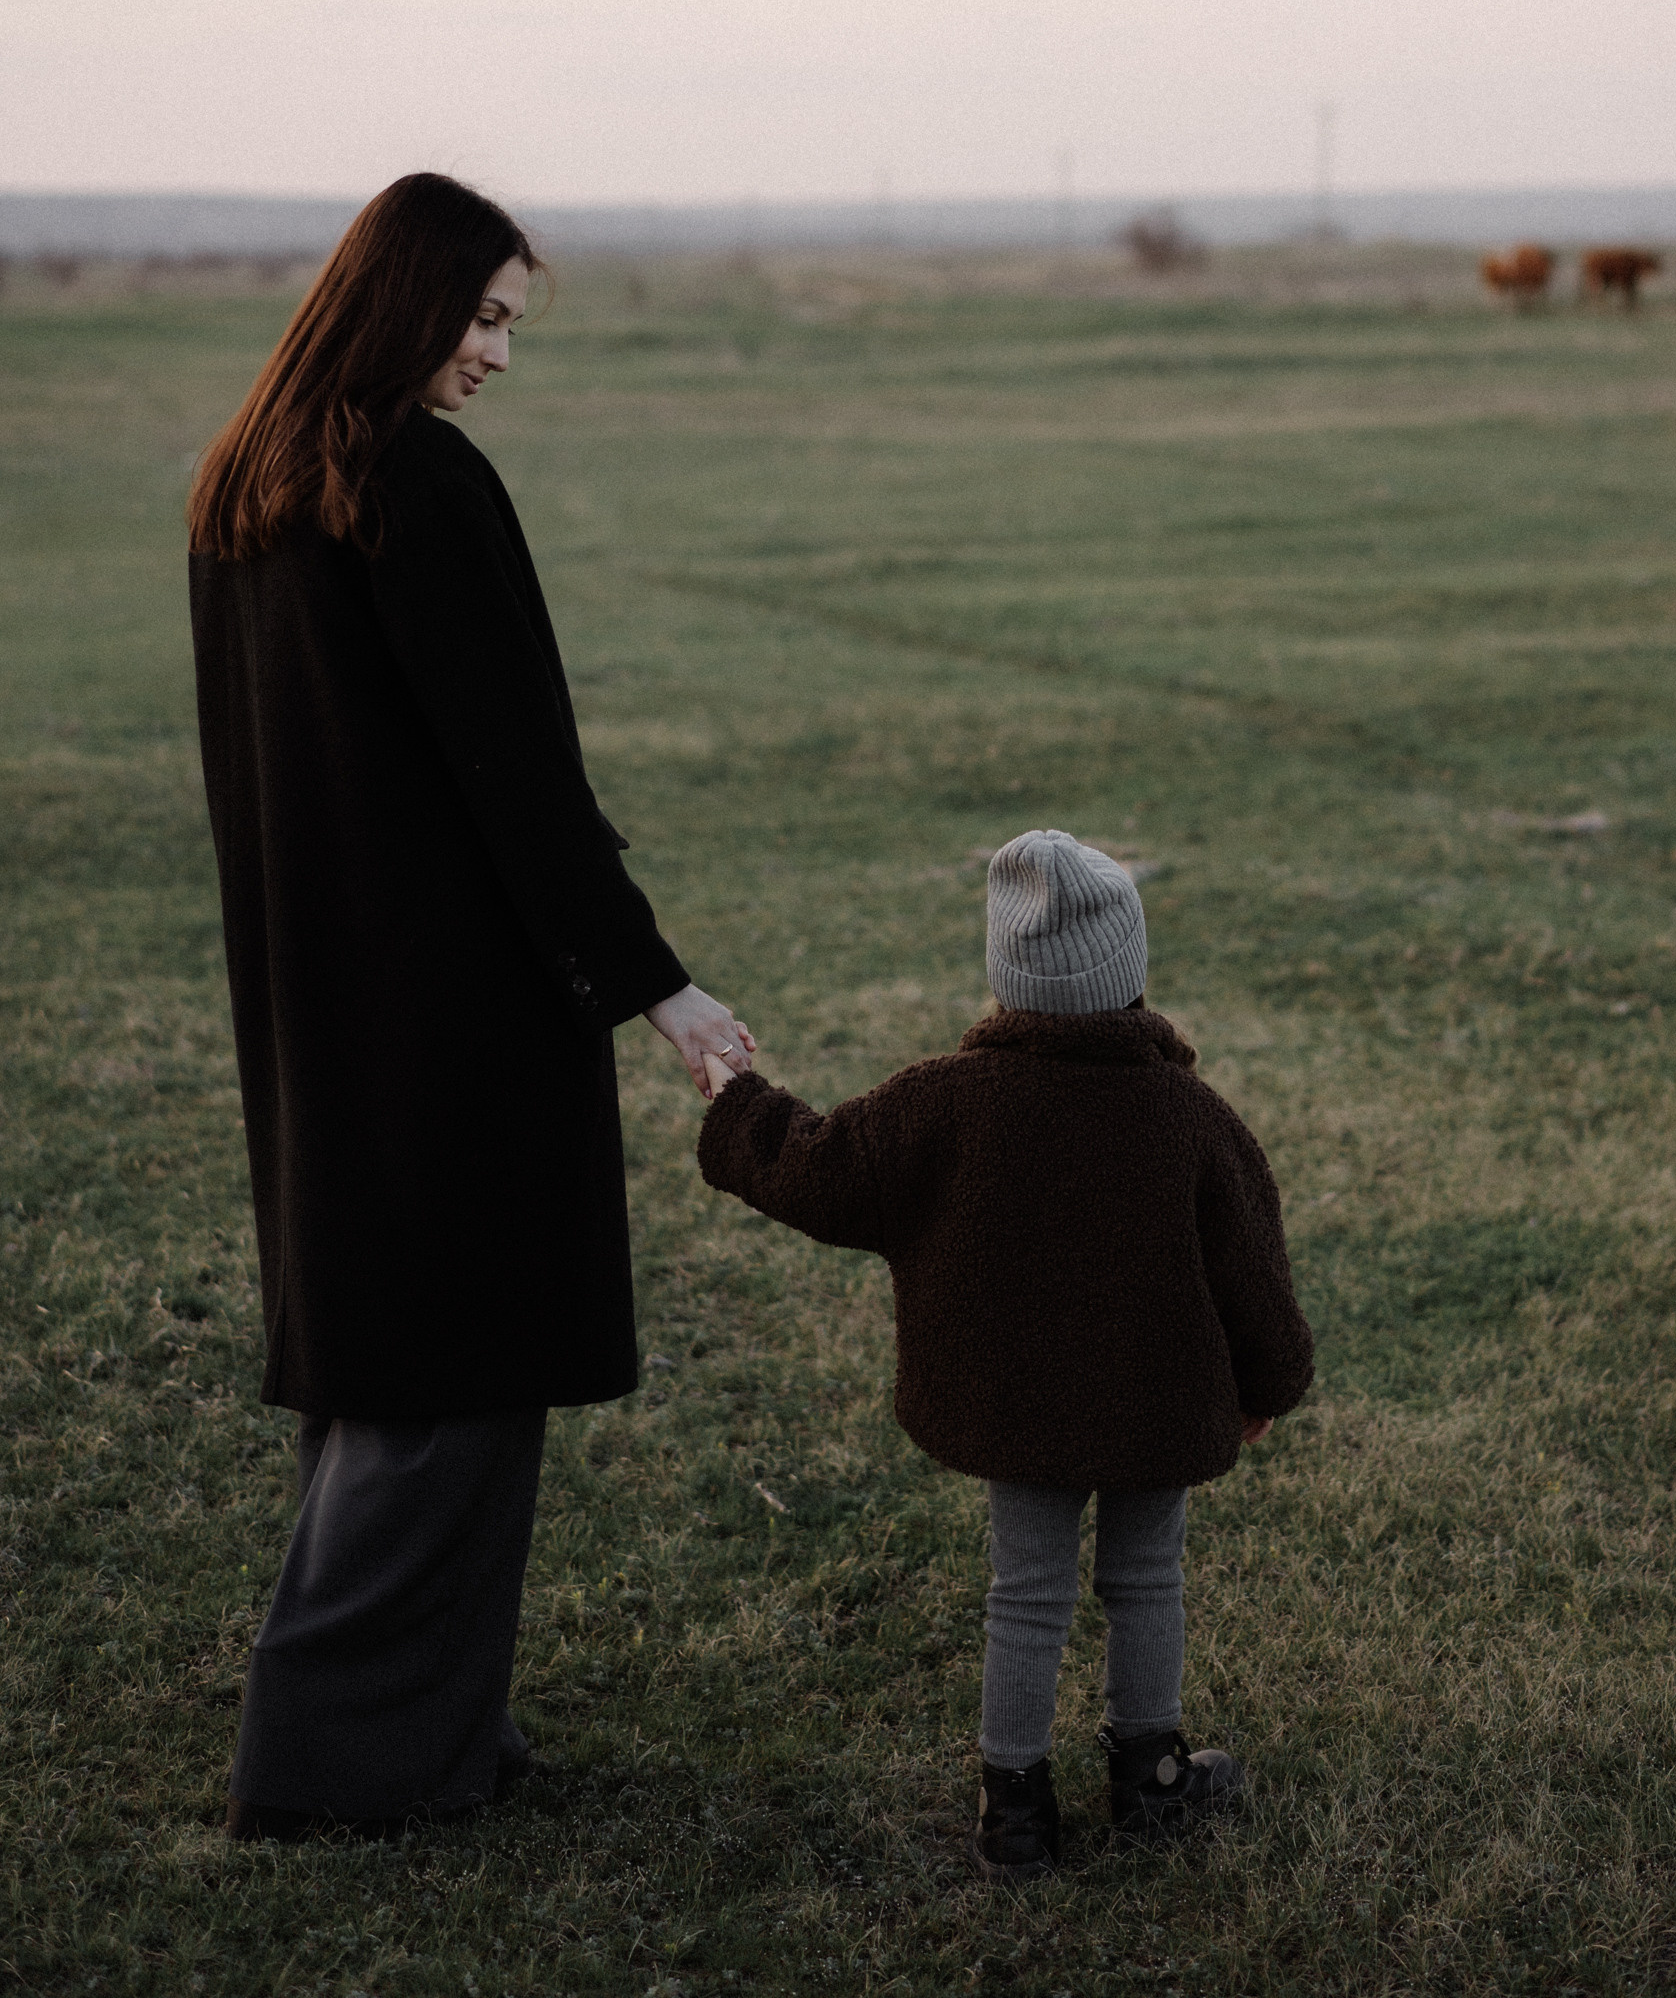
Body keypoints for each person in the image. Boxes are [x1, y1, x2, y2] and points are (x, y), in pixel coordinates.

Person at [187, 170, 753, 1839]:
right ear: (402, 299)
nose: (498, 353)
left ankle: (434, 1739)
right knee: (443, 1392)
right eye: (484, 315)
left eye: (509, 322)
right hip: (451, 1014)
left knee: (405, 1376)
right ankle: (334, 1773)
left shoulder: (250, 485)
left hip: (324, 999)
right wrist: (660, 987)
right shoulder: (411, 483)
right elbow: (518, 777)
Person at [695, 827, 1313, 1881]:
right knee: (1143, 1576)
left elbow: (820, 1171)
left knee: (1025, 1591)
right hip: (1153, 1406)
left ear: (1005, 972)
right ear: (1129, 969)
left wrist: (741, 1104)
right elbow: (1251, 1273)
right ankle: (1150, 1781)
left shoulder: (938, 1102)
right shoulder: (1190, 1118)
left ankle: (1014, 1809)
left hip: (1008, 1407)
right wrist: (1266, 1387)